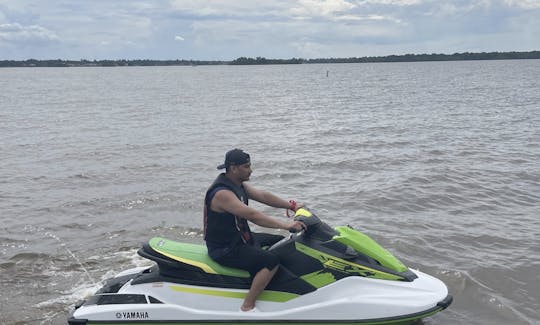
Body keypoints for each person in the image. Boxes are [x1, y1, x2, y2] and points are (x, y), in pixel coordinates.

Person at [203, 149, 305, 312]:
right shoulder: (222, 193)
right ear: (234, 168)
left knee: (280, 241)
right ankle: (247, 306)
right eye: (246, 166)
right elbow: (253, 215)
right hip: (225, 248)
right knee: (271, 261)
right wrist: (286, 225)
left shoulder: (238, 184)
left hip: (240, 238)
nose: (251, 170)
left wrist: (291, 205)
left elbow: (263, 196)